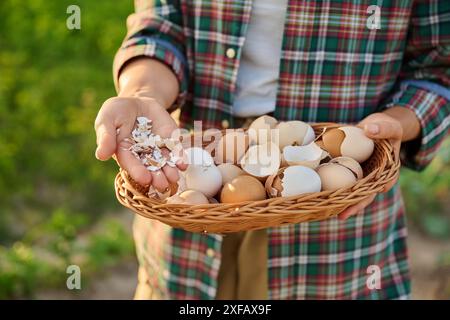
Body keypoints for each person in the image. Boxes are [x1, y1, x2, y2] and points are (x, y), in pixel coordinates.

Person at [94, 0, 450, 299]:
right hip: (190, 202)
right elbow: (161, 28)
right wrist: (141, 96)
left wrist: (396, 124)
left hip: (335, 238)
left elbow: (439, 63)